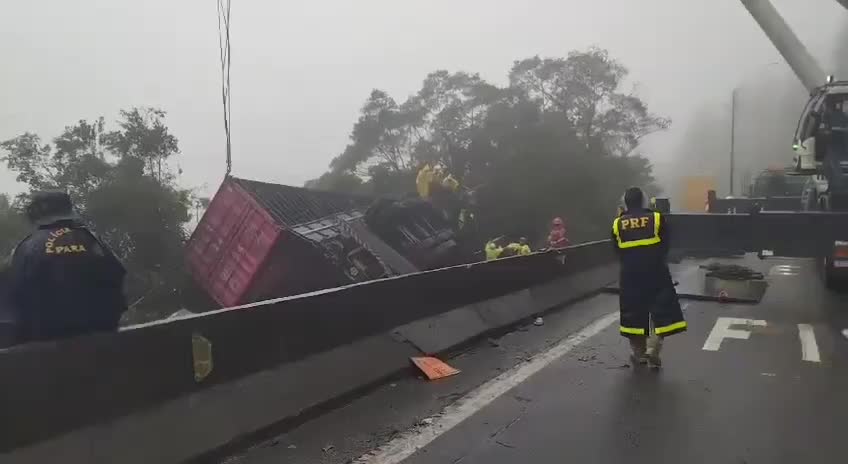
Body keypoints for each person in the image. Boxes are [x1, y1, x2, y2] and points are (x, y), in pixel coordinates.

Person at [7, 191, 127, 344]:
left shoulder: (26, 247)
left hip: (47, 347)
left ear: (35, 215)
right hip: (102, 340)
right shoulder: (93, 239)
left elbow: (14, 294)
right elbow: (118, 275)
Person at [611, 187, 686, 368]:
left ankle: (639, 354)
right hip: (655, 271)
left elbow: (617, 251)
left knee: (633, 314)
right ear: (644, 201)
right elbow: (665, 245)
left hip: (630, 275)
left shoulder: (618, 224)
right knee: (662, 309)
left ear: (625, 202)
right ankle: (653, 349)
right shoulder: (657, 218)